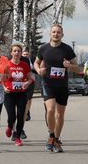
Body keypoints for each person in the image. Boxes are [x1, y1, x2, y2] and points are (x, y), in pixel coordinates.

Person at [34, 24, 80, 153]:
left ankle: (57, 139)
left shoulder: (67, 49)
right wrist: (38, 70)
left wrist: (69, 66)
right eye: (54, 32)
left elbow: (78, 68)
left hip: (62, 86)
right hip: (48, 84)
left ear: (62, 35)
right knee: (50, 110)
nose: (56, 34)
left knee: (60, 115)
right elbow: (36, 62)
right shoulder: (43, 48)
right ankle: (51, 135)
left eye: (58, 32)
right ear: (50, 34)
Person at [4, 42, 34, 146]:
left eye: (19, 51)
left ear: (21, 53)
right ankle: (9, 126)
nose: (17, 53)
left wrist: (27, 82)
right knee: (11, 116)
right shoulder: (7, 65)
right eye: (15, 51)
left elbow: (31, 78)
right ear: (11, 53)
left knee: (21, 116)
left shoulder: (25, 65)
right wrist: (4, 87)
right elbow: (1, 80)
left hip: (21, 94)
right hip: (9, 94)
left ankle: (17, 137)